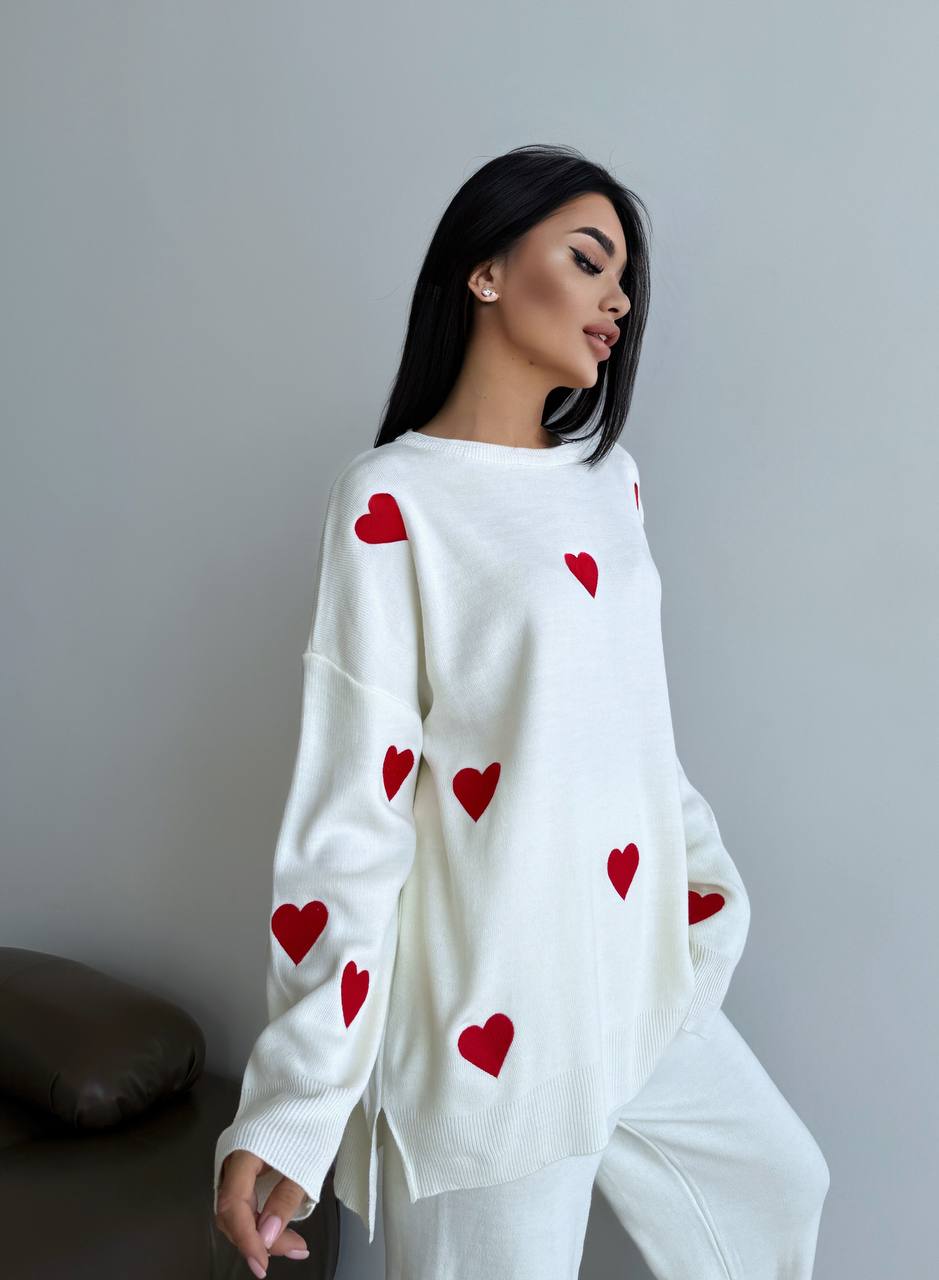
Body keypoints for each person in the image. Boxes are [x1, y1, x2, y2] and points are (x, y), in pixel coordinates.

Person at [212, 143, 830, 1279]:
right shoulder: (392, 500)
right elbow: (355, 813)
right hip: (489, 1027)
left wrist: (700, 900)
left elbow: (634, 734)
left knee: (778, 1183)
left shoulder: (613, 484)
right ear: (486, 272)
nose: (618, 299)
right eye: (588, 259)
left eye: (625, 279)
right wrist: (298, 1101)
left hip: (633, 981)